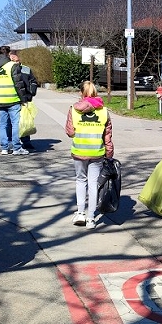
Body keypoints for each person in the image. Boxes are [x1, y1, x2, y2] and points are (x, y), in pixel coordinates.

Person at [65, 81, 114, 229]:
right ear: (95, 93)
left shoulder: (74, 109)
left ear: (81, 93)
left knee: (81, 180)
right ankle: (91, 218)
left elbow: (70, 132)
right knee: (93, 184)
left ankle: (80, 213)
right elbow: (108, 136)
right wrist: (109, 153)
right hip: (97, 152)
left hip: (79, 152)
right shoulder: (104, 111)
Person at [0, 45, 29, 156]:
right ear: (9, 53)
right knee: (15, 124)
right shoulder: (12, 66)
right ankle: (16, 148)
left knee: (2, 124)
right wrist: (23, 99)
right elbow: (18, 84)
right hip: (13, 98)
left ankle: (4, 148)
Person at [9, 50, 39, 150]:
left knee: (25, 121)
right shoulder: (7, 70)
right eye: (12, 60)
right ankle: (12, 142)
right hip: (12, 99)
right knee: (12, 122)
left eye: (16, 61)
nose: (15, 63)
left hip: (25, 99)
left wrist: (31, 92)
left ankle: (26, 142)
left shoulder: (26, 69)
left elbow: (33, 81)